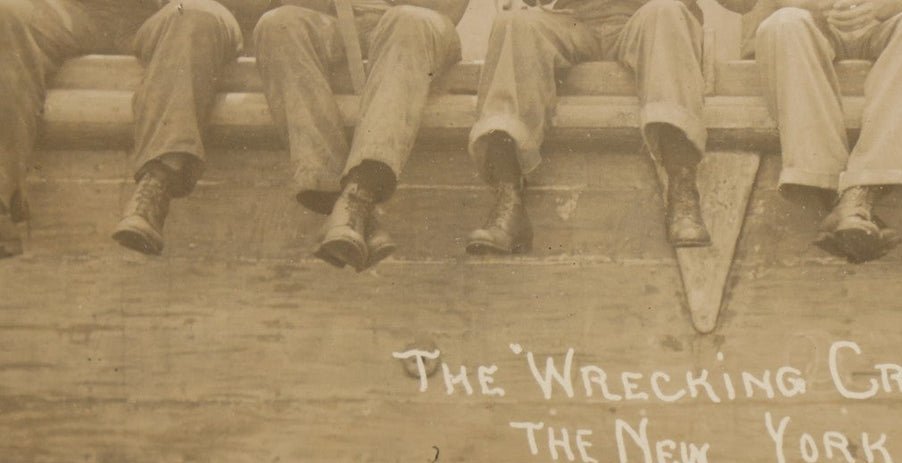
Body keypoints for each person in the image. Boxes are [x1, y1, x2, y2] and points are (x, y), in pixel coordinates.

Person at [467, 0, 756, 257]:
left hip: (646, 18)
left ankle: (683, 192)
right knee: (513, 22)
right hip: (573, 19)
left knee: (667, 10)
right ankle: (508, 200)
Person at [0, 0, 253, 259]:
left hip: (174, 10)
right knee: (6, 14)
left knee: (194, 17)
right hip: (83, 11)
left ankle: (156, 188)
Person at [254, 0, 468, 271]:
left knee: (408, 22)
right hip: (332, 19)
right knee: (277, 25)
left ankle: (358, 193)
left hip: (415, 22)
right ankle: (346, 204)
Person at [749, 0, 902, 262]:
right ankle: (835, 194)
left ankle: (860, 193)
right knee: (782, 24)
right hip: (811, 23)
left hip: (893, 25)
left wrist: (887, 5)